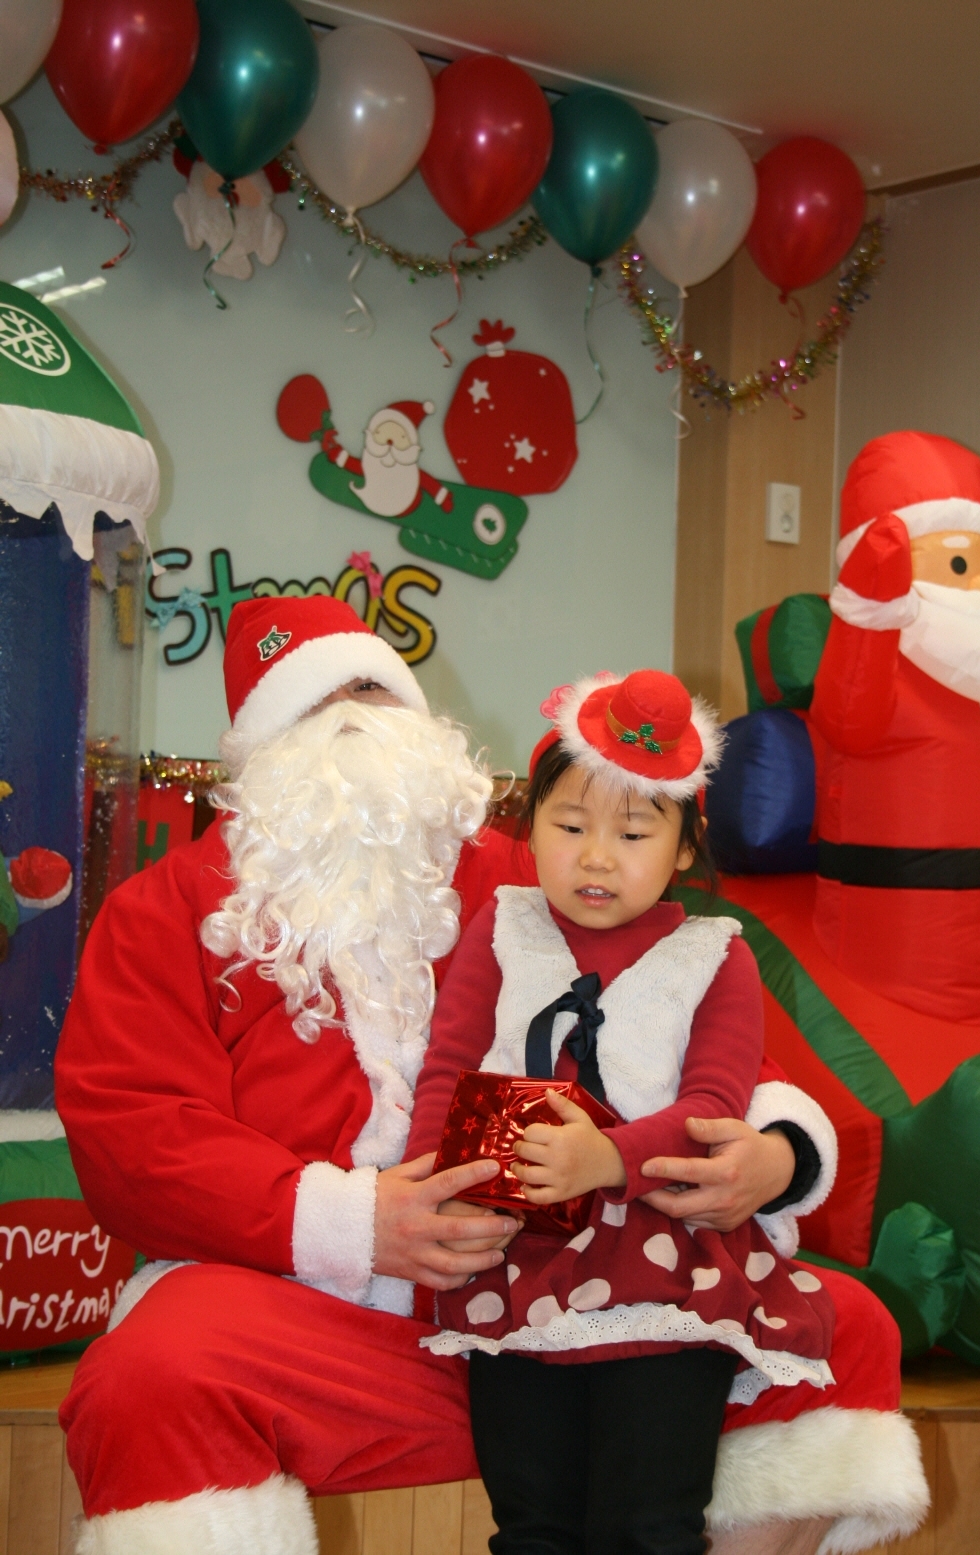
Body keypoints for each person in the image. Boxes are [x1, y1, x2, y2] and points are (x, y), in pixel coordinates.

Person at [55, 596, 925, 1554]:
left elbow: (692, 1020)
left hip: (562, 1291)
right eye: (315, 705)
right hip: (315, 1321)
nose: (351, 723)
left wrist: (775, 1153)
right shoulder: (161, 912)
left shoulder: (532, 875)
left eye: (371, 693)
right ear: (258, 752)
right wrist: (358, 1224)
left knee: (844, 1327)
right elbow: (135, 1137)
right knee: (154, 1370)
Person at [408, 670, 837, 1555]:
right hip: (513, 1261)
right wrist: (430, 1193)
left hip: (662, 1269)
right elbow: (447, 1072)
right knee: (532, 1528)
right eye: (570, 826)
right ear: (530, 826)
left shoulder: (715, 955)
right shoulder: (500, 929)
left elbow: (714, 1106)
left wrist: (606, 1158)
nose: (597, 857)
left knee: (649, 1528)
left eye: (633, 833)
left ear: (683, 847)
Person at [812, 429, 980, 1026]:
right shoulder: (885, 646)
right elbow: (848, 721)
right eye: (960, 563)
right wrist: (867, 615)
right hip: (910, 957)